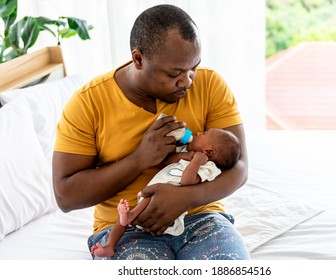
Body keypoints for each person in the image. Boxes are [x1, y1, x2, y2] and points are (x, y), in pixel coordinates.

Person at [53, 4, 250, 260]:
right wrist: (140, 159)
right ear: (138, 59)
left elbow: (241, 167)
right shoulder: (88, 103)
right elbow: (65, 196)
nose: (188, 81)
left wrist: (186, 198)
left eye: (194, 67)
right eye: (174, 73)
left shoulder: (211, 84)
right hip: (125, 227)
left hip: (201, 217)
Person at [90, 127, 241, 258]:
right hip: (152, 194)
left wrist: (196, 162)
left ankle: (130, 216)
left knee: (131, 215)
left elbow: (187, 181)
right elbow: (166, 161)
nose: (199, 132)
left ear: (208, 151)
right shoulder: (188, 151)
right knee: (122, 220)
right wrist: (185, 156)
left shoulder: (208, 167)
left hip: (167, 207)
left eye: (204, 134)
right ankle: (110, 246)